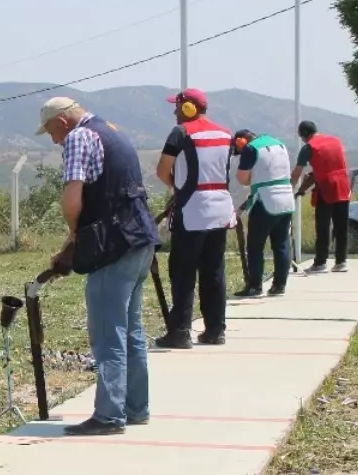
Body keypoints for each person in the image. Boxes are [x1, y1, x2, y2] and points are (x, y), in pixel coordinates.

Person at [36, 96, 161, 436]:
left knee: (107, 332)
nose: (54, 140)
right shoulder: (113, 131)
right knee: (131, 330)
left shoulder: (78, 137)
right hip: (140, 240)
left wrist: (75, 239)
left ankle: (108, 416)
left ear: (62, 122)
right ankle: (136, 408)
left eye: (51, 132)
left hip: (113, 245)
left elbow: (73, 197)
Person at [154, 89, 236, 349]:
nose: (174, 111)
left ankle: (179, 332)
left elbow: (161, 170)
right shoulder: (226, 133)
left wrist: (177, 190)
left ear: (188, 108)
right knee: (214, 270)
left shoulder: (181, 132)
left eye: (177, 106)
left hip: (192, 210)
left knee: (182, 271)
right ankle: (215, 330)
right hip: (221, 209)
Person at [231, 129, 295, 297]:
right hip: (287, 199)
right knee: (281, 243)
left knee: (255, 246)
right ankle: (279, 285)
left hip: (265, 201)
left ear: (241, 142)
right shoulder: (279, 143)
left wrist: (252, 177)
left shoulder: (250, 149)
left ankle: (255, 286)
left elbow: (242, 178)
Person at [292, 120, 351, 273]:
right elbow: (324, 169)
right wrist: (303, 189)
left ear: (305, 135)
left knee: (323, 227)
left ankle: (320, 263)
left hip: (326, 188)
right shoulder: (336, 141)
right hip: (344, 185)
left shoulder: (308, 148)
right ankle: (341, 261)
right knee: (341, 226)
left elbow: (297, 173)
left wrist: (291, 189)